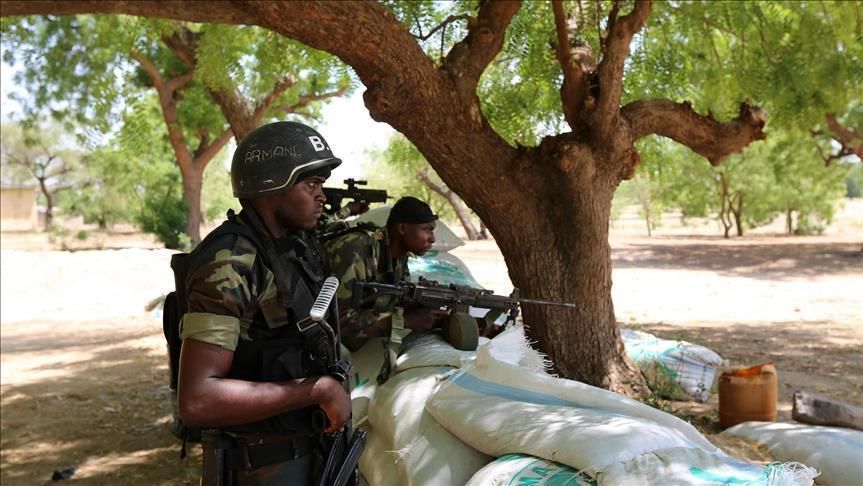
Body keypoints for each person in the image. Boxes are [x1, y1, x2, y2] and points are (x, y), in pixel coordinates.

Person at [177, 121, 351, 485]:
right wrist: (316, 389)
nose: (322, 195)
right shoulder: (229, 261)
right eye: (311, 185)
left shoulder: (294, 249)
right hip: (260, 466)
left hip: (309, 451)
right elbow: (198, 399)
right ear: (272, 187)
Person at [324, 196, 448, 355]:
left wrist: (424, 303)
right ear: (402, 228)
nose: (432, 239)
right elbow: (341, 322)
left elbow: (392, 302)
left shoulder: (397, 256)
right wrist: (404, 321)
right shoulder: (357, 248)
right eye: (427, 230)